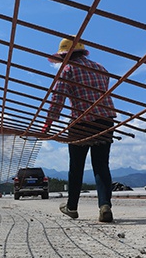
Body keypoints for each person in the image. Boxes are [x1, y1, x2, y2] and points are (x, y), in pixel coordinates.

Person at [42, 36, 117, 223]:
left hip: (81, 121)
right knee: (101, 165)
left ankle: (72, 207)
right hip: (105, 120)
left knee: (76, 167)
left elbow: (57, 99)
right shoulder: (101, 68)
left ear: (65, 55)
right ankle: (105, 205)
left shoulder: (68, 70)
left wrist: (48, 123)